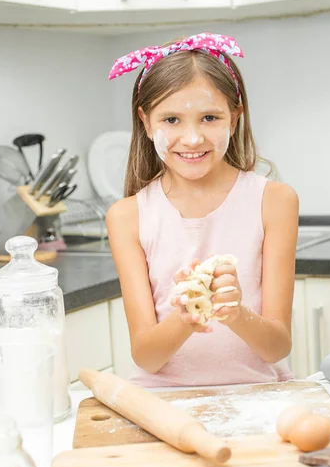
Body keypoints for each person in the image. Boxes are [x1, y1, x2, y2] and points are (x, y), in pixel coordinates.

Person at [105, 32, 299, 388]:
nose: (192, 139)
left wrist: (236, 314)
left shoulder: (275, 201)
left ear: (234, 118)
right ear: (146, 122)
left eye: (209, 118)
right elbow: (146, 356)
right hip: (163, 402)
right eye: (172, 120)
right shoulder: (127, 216)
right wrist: (185, 318)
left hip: (256, 393)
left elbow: (277, 347)